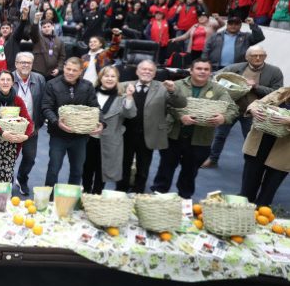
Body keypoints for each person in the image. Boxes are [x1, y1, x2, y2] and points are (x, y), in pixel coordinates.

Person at [151, 58, 237, 199]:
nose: (202, 72)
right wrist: (180, 116)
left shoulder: (218, 90)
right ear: (191, 70)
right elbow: (165, 104)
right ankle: (157, 197)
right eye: (199, 68)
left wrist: (224, 118)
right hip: (173, 135)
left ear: (210, 72)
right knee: (165, 169)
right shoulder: (177, 85)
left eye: (206, 69)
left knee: (190, 173)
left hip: (200, 140)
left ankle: (184, 201)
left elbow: (233, 108)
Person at [203, 45, 283, 168]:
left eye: (261, 55)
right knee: (219, 135)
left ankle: (253, 166)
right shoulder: (235, 68)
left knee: (252, 140)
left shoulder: (274, 71)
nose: (258, 58)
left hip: (254, 112)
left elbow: (278, 93)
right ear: (247, 57)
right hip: (231, 109)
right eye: (254, 55)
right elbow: (216, 76)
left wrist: (256, 86)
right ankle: (213, 159)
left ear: (265, 56)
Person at [116, 60, 184, 193]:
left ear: (154, 74)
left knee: (143, 167)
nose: (147, 72)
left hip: (149, 134)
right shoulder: (123, 86)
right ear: (137, 71)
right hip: (126, 134)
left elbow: (181, 103)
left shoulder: (163, 88)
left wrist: (173, 91)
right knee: (123, 165)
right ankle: (120, 191)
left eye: (150, 70)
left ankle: (138, 192)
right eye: (144, 69)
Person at [41, 57, 103, 187]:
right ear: (64, 67)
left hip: (80, 137)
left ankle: (70, 200)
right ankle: (49, 199)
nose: (70, 72)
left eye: (74, 70)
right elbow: (46, 107)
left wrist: (101, 122)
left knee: (77, 171)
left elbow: (95, 107)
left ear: (81, 71)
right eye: (68, 69)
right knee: (53, 169)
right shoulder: (52, 84)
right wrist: (56, 122)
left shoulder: (87, 86)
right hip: (58, 135)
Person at [81, 66, 136, 194]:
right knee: (87, 168)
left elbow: (130, 114)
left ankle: (97, 195)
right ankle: (86, 192)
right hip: (89, 138)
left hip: (109, 140)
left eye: (113, 76)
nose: (109, 79)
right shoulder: (91, 93)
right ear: (101, 78)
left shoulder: (122, 97)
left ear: (117, 79)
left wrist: (129, 97)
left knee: (103, 170)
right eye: (106, 76)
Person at [241, 87, 290, 206]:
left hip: (284, 150)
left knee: (268, 191)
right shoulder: (284, 91)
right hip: (259, 143)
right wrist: (253, 110)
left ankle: (261, 215)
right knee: (248, 187)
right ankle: (241, 212)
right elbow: (258, 103)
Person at [11, 52, 46, 196]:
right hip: (11, 128)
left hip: (31, 129)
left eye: (28, 63)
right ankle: (6, 182)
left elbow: (44, 102)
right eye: (22, 62)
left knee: (30, 158)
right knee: (9, 158)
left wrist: (38, 124)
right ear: (16, 64)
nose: (25, 65)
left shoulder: (39, 79)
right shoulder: (7, 78)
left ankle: (21, 179)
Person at [29, 11, 65, 81]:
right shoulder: (38, 37)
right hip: (37, 72)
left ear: (53, 27)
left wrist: (59, 68)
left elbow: (62, 57)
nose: (46, 28)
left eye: (48, 26)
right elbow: (33, 32)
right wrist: (36, 21)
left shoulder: (60, 41)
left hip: (52, 73)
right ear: (41, 29)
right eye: (44, 27)